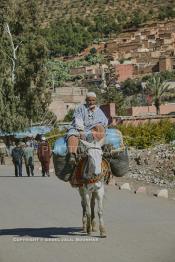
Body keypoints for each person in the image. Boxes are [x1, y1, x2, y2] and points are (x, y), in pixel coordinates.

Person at [66, 92, 108, 167]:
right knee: (72, 134)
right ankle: (72, 155)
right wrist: (81, 131)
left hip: (92, 129)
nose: (91, 102)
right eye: (89, 100)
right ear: (86, 100)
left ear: (95, 101)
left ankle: (101, 149)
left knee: (100, 128)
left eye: (93, 100)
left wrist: (100, 126)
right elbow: (78, 119)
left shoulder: (98, 110)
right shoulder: (81, 108)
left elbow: (104, 121)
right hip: (79, 128)